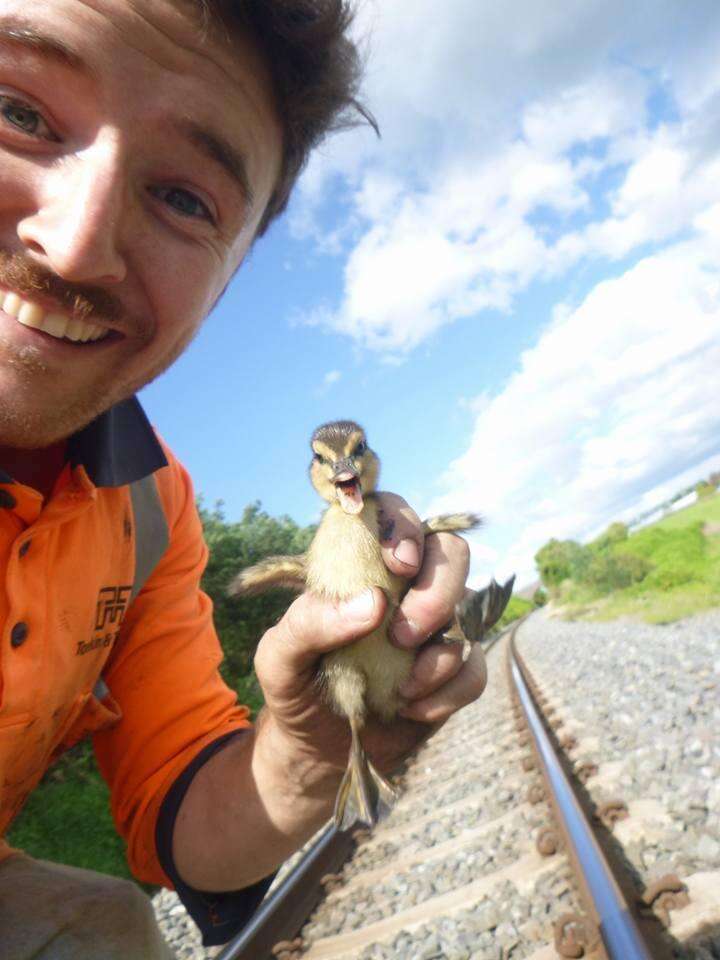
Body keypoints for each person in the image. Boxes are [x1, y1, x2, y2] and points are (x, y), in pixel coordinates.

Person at [0, 1, 487, 957]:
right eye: (20, 112)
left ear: (225, 283)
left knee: (103, 931)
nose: (79, 243)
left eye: (184, 199)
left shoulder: (148, 509)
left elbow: (185, 802)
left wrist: (310, 753)